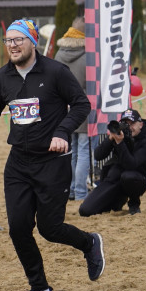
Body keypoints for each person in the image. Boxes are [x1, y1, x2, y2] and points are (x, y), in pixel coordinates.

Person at [0, 18, 103, 291]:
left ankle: (89, 243)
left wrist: (62, 131)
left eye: (18, 39)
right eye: (8, 41)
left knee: (50, 229)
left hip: (52, 161)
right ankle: (39, 287)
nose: (12, 45)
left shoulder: (55, 72)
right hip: (19, 163)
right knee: (18, 227)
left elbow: (81, 104)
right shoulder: (3, 76)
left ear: (32, 41)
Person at [78, 110, 146, 217]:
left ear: (141, 124)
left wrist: (120, 143)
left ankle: (134, 203)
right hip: (114, 178)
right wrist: (110, 139)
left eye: (132, 124)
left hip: (137, 178)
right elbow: (98, 155)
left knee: (128, 176)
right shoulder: (121, 134)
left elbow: (131, 164)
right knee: (85, 210)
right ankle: (117, 201)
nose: (129, 127)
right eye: (125, 124)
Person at [53, 25, 91, 201]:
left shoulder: (58, 56)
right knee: (83, 150)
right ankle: (81, 191)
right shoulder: (87, 56)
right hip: (82, 106)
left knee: (71, 151)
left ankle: (72, 189)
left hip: (64, 108)